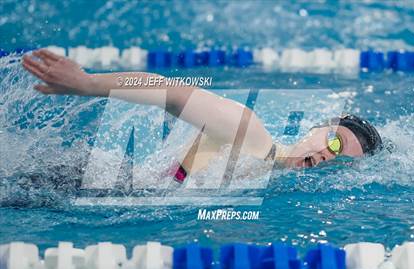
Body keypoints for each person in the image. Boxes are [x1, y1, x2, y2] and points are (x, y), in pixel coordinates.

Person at [22, 49, 383, 183]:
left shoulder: (263, 178)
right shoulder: (251, 134)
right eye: (335, 142)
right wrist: (87, 83)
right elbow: (168, 90)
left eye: (338, 161)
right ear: (321, 128)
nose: (327, 156)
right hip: (73, 178)